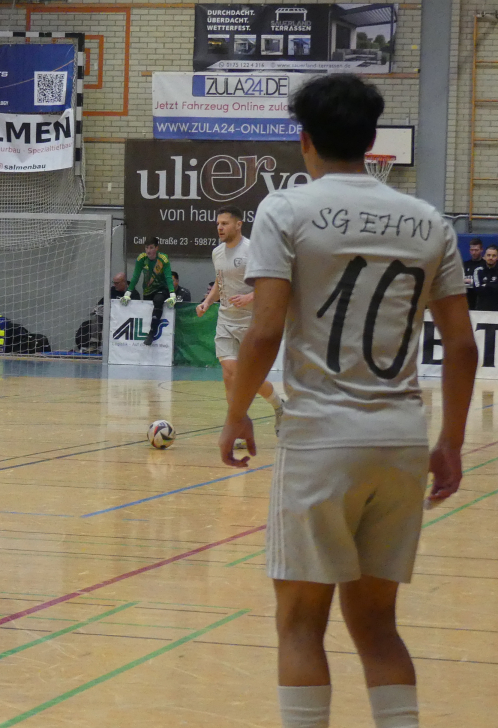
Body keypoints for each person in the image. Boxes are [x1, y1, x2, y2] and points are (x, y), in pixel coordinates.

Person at [218, 74, 477, 728]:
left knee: (301, 623)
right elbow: (462, 346)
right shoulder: (429, 221)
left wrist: (236, 412)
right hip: (400, 440)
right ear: (372, 140)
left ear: (304, 140)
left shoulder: (284, 211)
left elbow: (265, 331)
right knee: (378, 626)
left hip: (320, 439)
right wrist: (449, 442)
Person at [195, 205, 286, 428]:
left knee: (249, 378)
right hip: (225, 320)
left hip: (250, 322)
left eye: (225, 223)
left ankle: (279, 405)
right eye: (218, 224)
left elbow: (269, 283)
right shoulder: (217, 253)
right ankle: (237, 425)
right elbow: (220, 282)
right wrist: (207, 302)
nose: (220, 227)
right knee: (229, 373)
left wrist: (249, 297)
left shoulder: (252, 250)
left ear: (238, 224)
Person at [123, 238, 176, 346]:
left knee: (158, 300)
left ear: (157, 248)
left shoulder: (163, 259)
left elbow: (168, 276)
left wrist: (172, 293)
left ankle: (152, 333)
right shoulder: (141, 258)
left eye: (151, 248)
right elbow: (136, 276)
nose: (148, 251)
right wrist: (128, 293)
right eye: (146, 248)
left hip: (162, 288)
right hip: (147, 290)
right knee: (147, 309)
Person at [471, 244, 498, 311]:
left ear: (497, 257)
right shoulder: (478, 270)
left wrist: (485, 285)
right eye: (488, 255)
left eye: (494, 255)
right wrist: (493, 285)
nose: (491, 258)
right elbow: (477, 289)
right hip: (482, 310)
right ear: (484, 257)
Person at [462, 237, 484, 309]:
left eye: (476, 250)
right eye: (472, 250)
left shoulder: (485, 265)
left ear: (481, 250)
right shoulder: (465, 265)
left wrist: (470, 282)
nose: (474, 253)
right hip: (467, 300)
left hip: (481, 300)